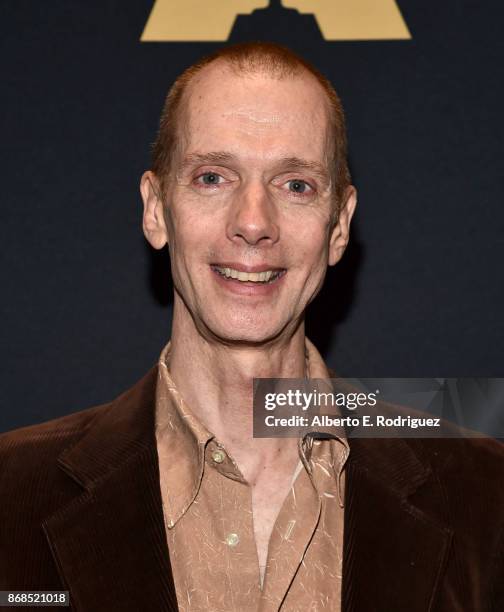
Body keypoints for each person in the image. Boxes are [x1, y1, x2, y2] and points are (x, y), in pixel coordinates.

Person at [0, 42, 502, 612]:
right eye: (213, 177)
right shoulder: (11, 494)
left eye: (296, 185)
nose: (253, 223)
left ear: (339, 227)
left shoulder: (485, 497)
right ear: (156, 209)